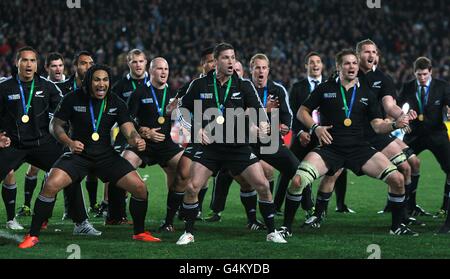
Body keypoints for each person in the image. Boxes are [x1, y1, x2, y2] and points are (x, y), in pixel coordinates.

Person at [18, 65, 161, 249]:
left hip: (106, 156)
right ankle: (33, 235)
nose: (101, 84)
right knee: (51, 184)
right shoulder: (73, 98)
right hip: (78, 155)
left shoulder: (116, 102)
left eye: (105, 80)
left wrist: (136, 140)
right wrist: (69, 142)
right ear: (89, 81)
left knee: (140, 188)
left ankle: (140, 232)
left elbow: (129, 129)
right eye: (97, 80)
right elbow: (55, 125)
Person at [285, 49, 417, 237]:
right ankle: (286, 228)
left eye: (354, 63)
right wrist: (316, 129)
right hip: (330, 148)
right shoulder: (325, 88)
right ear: (338, 67)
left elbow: (378, 126)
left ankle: (396, 227)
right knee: (298, 180)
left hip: (359, 148)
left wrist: (395, 124)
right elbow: (302, 112)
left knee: (397, 179)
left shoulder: (367, 93)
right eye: (347, 63)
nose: (352, 67)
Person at [176, 43, 287, 245]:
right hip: (210, 148)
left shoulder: (243, 85)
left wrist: (263, 125)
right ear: (216, 61)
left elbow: (259, 111)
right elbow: (180, 110)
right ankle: (188, 233)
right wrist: (195, 130)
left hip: (238, 147)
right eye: (226, 58)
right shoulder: (199, 85)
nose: (231, 62)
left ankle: (272, 232)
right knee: (192, 187)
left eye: (233, 57)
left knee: (263, 185)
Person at [122, 57, 185, 233]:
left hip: (167, 145)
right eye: (159, 69)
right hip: (144, 143)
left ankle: (169, 220)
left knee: (184, 169)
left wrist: (177, 114)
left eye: (166, 69)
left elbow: (181, 122)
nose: (164, 72)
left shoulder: (174, 93)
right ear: (151, 71)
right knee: (123, 164)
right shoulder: (140, 92)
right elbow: (128, 119)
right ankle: (116, 213)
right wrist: (142, 130)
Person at [396, 57, 450, 231]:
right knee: (399, 166)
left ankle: (446, 206)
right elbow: (398, 106)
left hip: (437, 134)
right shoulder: (408, 87)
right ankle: (404, 206)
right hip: (414, 135)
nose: (422, 78)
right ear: (414, 73)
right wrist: (403, 118)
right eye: (419, 75)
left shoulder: (442, 86)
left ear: (431, 72)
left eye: (425, 74)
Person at [17, 52, 66, 217]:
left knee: (60, 173)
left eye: (60, 65)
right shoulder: (40, 84)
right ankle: (27, 205)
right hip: (39, 136)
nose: (57, 69)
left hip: (58, 136)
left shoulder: (67, 84)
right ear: (46, 68)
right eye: (54, 65)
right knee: (33, 170)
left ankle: (58, 213)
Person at [107, 48, 150, 225]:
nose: (138, 65)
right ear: (128, 63)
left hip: (153, 137)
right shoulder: (119, 87)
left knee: (178, 168)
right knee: (118, 172)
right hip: (126, 136)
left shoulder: (155, 82)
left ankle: (179, 212)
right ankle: (115, 215)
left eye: (141, 61)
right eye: (134, 61)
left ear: (146, 62)